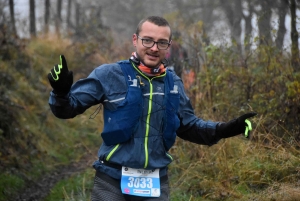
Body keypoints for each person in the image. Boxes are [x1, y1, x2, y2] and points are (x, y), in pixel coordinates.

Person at [48, 16, 256, 201]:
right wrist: (60, 93)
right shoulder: (109, 74)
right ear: (135, 39)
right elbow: (67, 109)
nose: (154, 48)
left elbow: (189, 126)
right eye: (148, 40)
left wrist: (227, 129)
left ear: (169, 46)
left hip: (155, 182)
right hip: (111, 179)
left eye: (162, 43)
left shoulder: (173, 83)